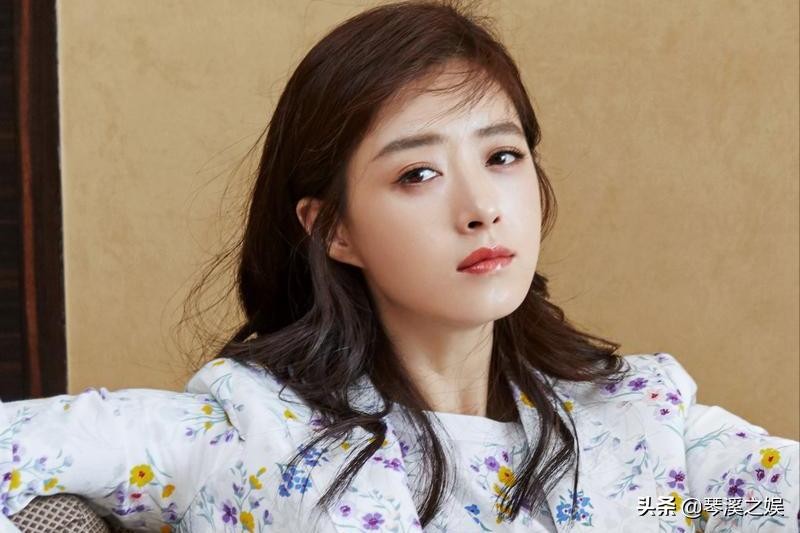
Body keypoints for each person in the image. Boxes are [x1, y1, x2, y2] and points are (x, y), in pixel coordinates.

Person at [1, 1, 797, 532]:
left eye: (502, 155)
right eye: (419, 173)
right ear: (334, 228)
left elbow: (740, 504)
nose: (481, 207)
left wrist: (683, 511)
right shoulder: (249, 433)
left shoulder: (641, 420)